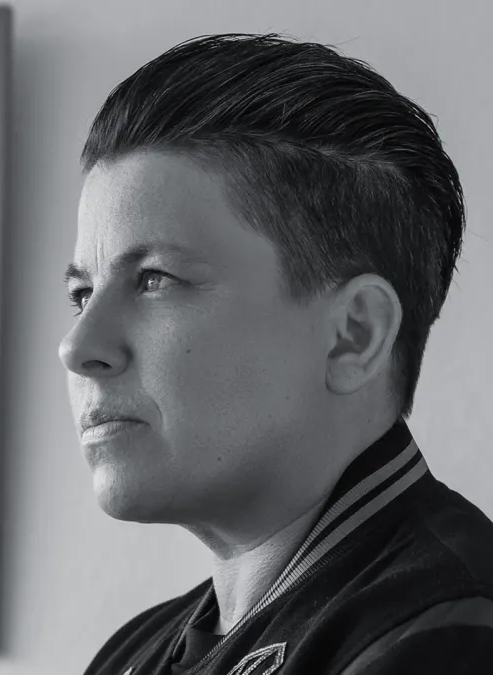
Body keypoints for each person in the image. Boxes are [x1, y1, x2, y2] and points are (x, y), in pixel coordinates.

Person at [59, 34, 493, 675]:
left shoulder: (447, 631)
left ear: (354, 335)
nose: (77, 347)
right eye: (82, 293)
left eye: (154, 279)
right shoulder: (131, 654)